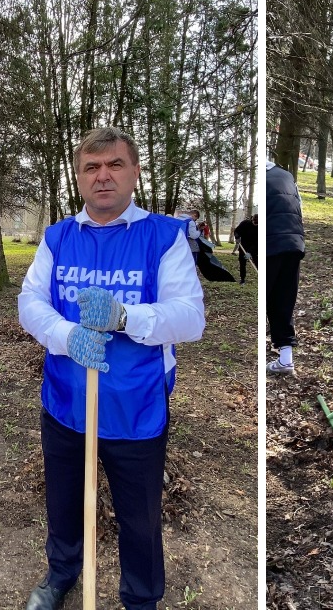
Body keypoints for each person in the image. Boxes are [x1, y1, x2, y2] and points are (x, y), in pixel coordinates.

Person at [18, 127, 205, 610]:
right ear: (79, 177)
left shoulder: (163, 237)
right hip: (65, 402)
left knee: (139, 516)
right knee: (63, 503)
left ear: (135, 172)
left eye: (114, 165)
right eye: (91, 168)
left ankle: (141, 597)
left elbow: (191, 316)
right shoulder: (58, 237)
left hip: (136, 407)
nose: (103, 177)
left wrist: (126, 317)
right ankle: (62, 574)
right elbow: (30, 302)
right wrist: (66, 336)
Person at [265, 160, 305, 375]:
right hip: (294, 244)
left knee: (266, 299)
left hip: (271, 244)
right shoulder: (286, 175)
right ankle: (286, 359)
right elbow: (300, 208)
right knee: (284, 300)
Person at [233, 212, 258, 285]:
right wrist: (237, 237)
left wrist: (250, 252)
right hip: (243, 246)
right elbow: (236, 231)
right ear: (252, 219)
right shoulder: (245, 223)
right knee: (242, 263)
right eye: (255, 222)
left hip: (254, 248)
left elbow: (257, 242)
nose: (256, 224)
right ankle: (242, 279)